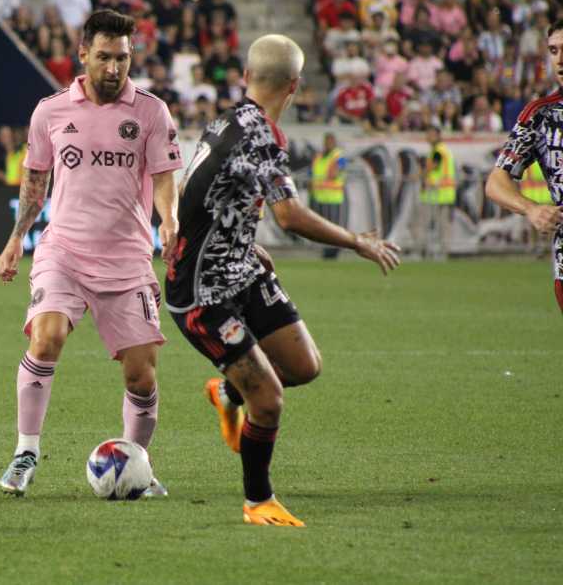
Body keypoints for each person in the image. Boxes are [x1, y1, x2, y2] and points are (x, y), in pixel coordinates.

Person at [165, 34, 400, 527]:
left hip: (242, 270)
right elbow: (290, 215)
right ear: (295, 85)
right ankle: (258, 501)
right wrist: (358, 241)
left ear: (247, 76)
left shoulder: (224, 121)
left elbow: (199, 193)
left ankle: (226, 392)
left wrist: (242, 242)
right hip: (203, 295)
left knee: (304, 365)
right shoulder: (263, 137)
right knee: (268, 401)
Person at [0, 9, 184, 497]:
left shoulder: (151, 111)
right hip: (64, 251)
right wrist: (18, 237)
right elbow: (35, 180)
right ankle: (25, 453)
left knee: (141, 375)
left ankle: (135, 464)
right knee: (46, 337)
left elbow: (164, 177)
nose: (113, 68)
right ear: (83, 55)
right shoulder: (51, 111)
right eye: (103, 57)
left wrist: (170, 219)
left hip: (127, 258)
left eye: (122, 58)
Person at [485, 18, 563, 313]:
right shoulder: (540, 116)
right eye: (554, 51)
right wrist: (532, 208)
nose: (560, 60)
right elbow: (496, 182)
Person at [412, 128, 455, 258]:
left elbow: (433, 167)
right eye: (427, 134)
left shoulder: (438, 151)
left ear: (438, 136)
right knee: (440, 225)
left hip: (437, 191)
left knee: (430, 224)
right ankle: (440, 252)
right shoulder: (441, 150)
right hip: (442, 192)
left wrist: (418, 175)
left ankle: (426, 251)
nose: (428, 137)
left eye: (431, 135)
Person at [310, 132, 347, 259]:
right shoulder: (319, 156)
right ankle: (326, 251)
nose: (328, 143)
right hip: (319, 197)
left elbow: (338, 170)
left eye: (330, 141)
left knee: (334, 228)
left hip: (334, 198)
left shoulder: (339, 156)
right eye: (326, 141)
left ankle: (334, 251)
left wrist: (334, 173)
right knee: (323, 228)